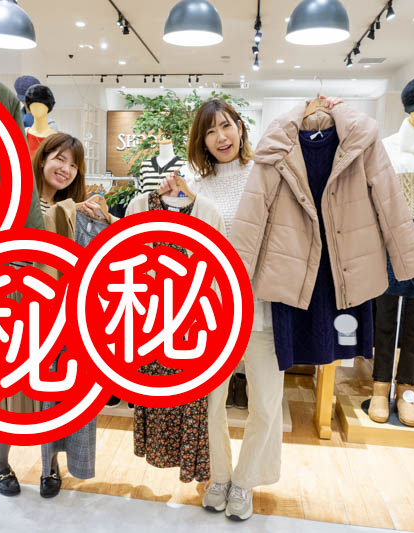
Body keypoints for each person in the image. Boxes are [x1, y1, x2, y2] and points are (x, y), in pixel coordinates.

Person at [158, 96, 342, 522]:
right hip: (214, 313)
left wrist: (319, 112)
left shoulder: (268, 171)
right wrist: (177, 203)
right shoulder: (194, 185)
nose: (220, 137)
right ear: (200, 140)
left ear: (240, 128)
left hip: (264, 308)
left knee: (266, 401)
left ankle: (244, 480)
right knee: (210, 402)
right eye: (210, 131)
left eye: (226, 126)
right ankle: (219, 476)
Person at [0, 132, 101, 500]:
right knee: (9, 393)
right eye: (60, 158)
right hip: (13, 305)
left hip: (56, 311)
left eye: (74, 165)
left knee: (51, 391)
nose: (66, 169)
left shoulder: (74, 209)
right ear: (43, 158)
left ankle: (50, 465)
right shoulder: (18, 198)